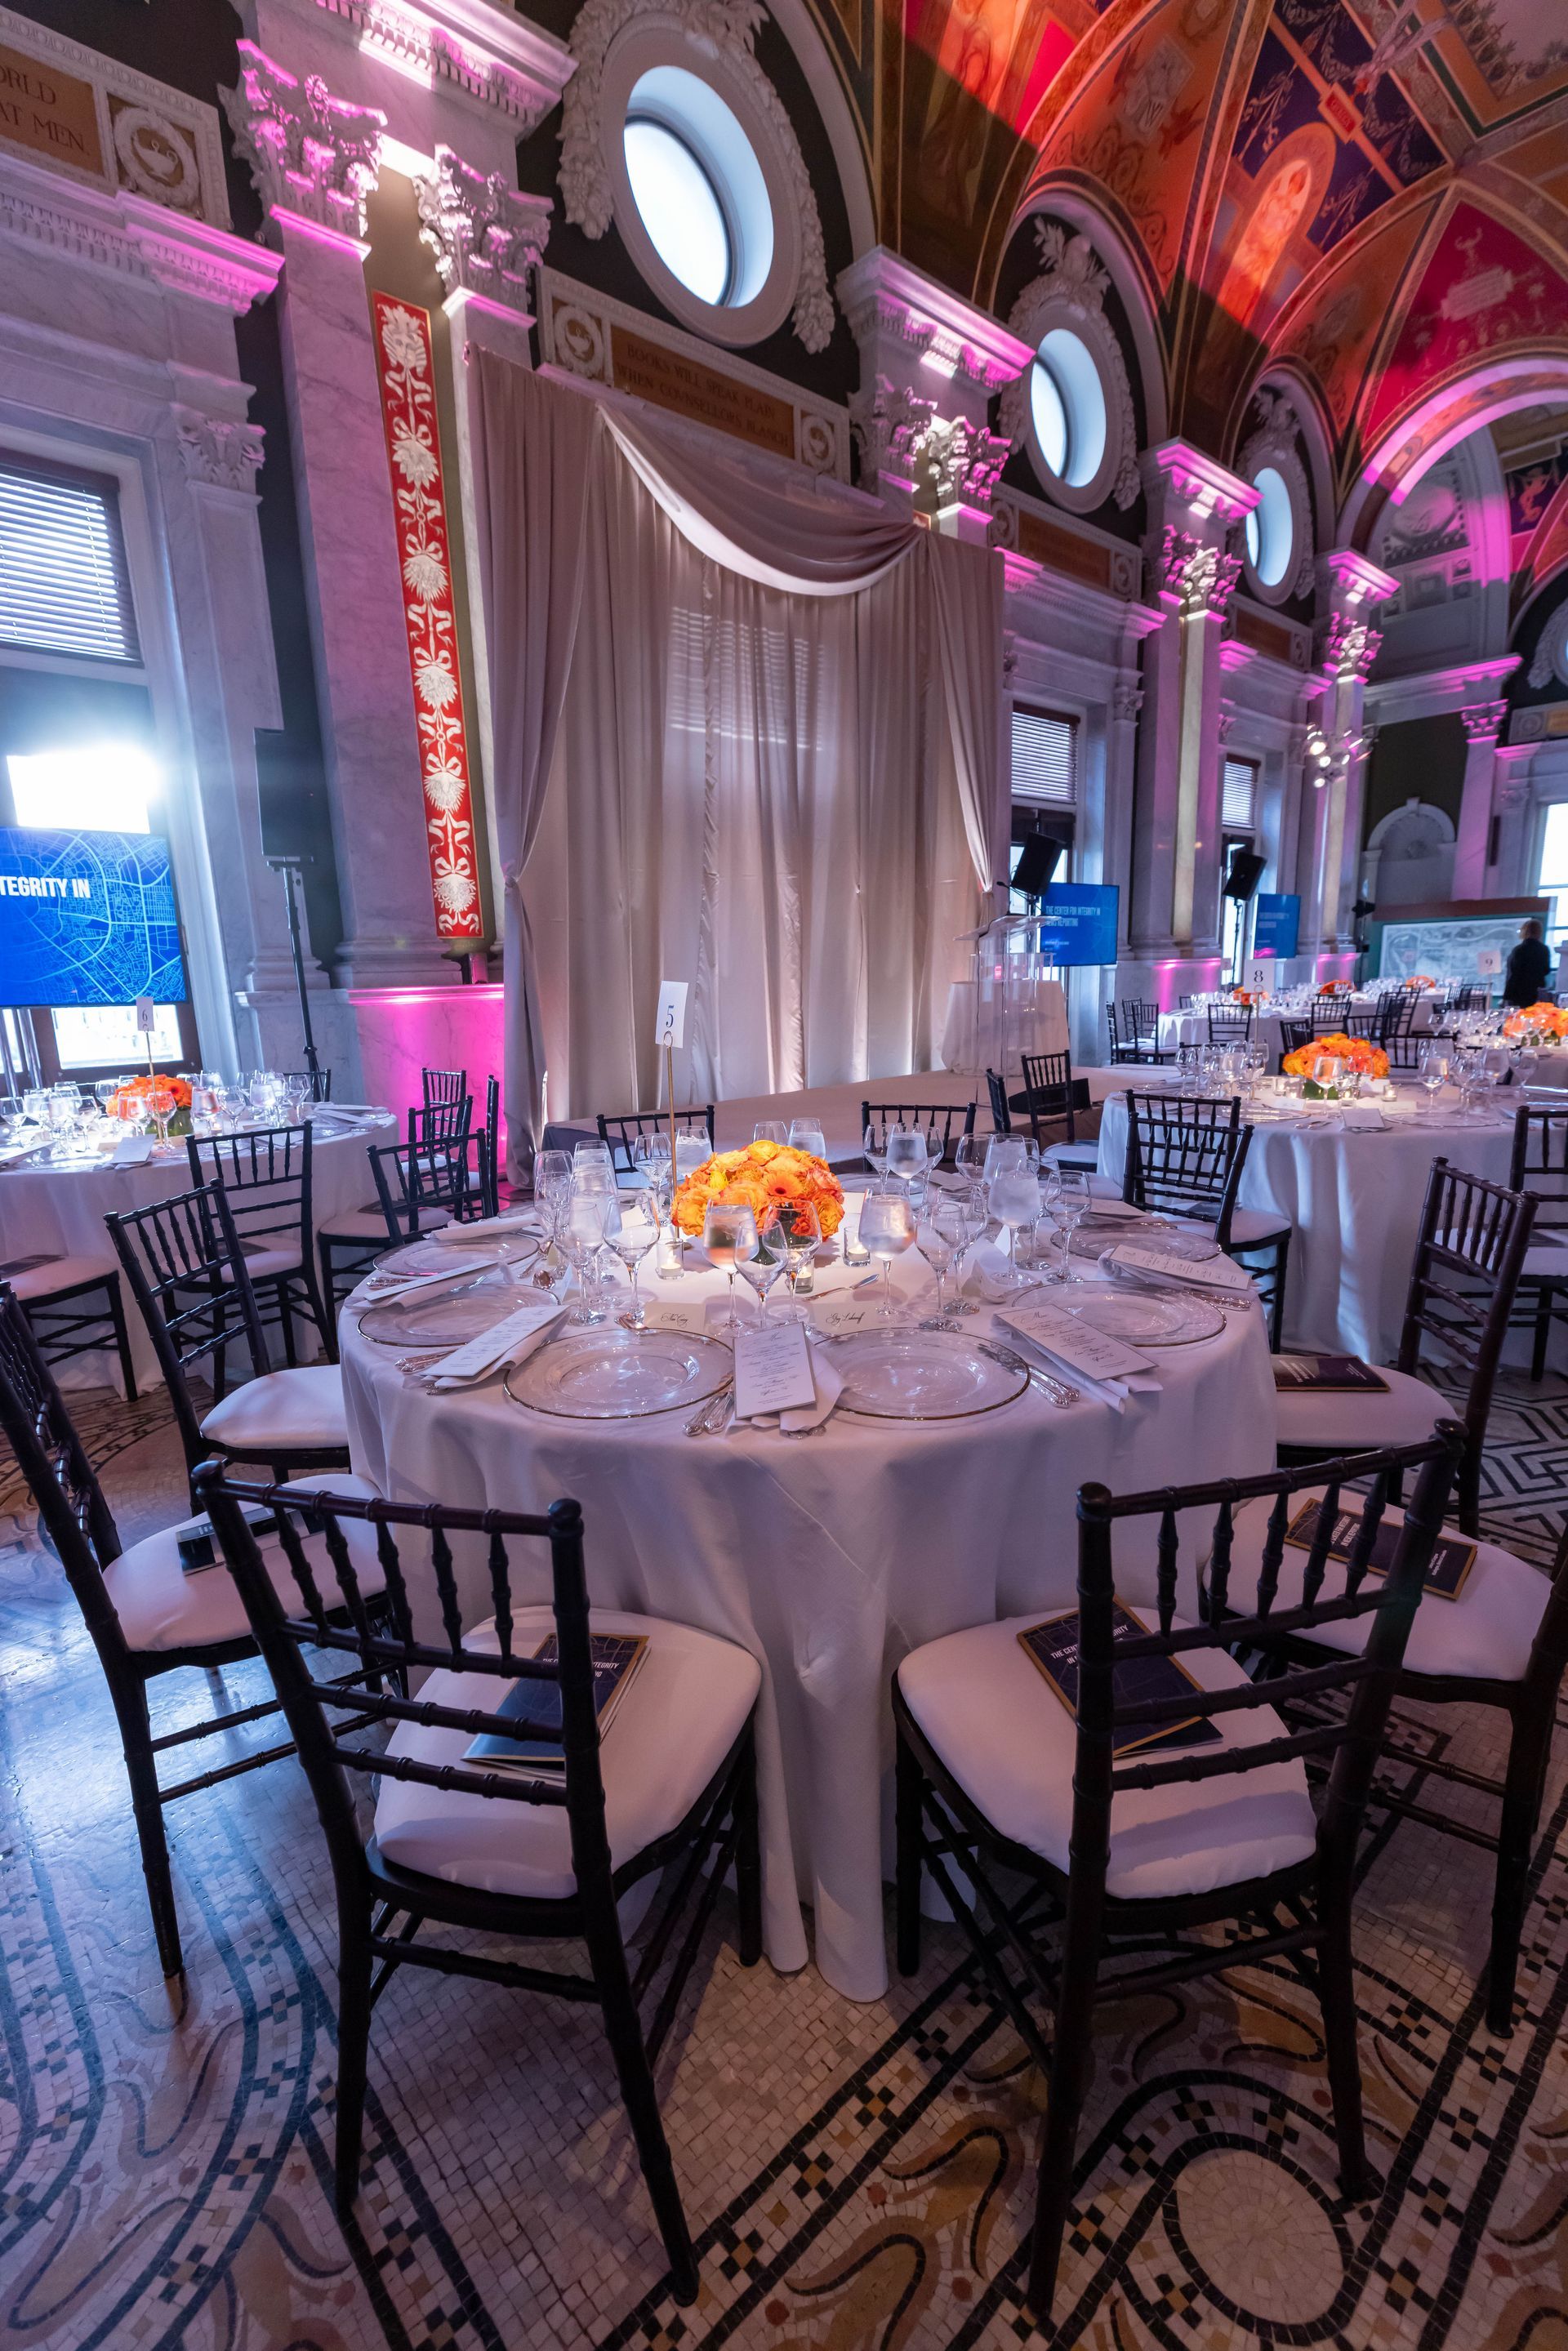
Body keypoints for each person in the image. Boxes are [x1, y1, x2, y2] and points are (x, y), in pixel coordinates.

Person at [1503, 919, 1553, 1009]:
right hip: (1536, 991)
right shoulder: (1544, 949)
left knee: (1517, 1020)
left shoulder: (1519, 950)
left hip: (1518, 992)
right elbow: (1546, 970)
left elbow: (1513, 973)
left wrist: (1507, 996)